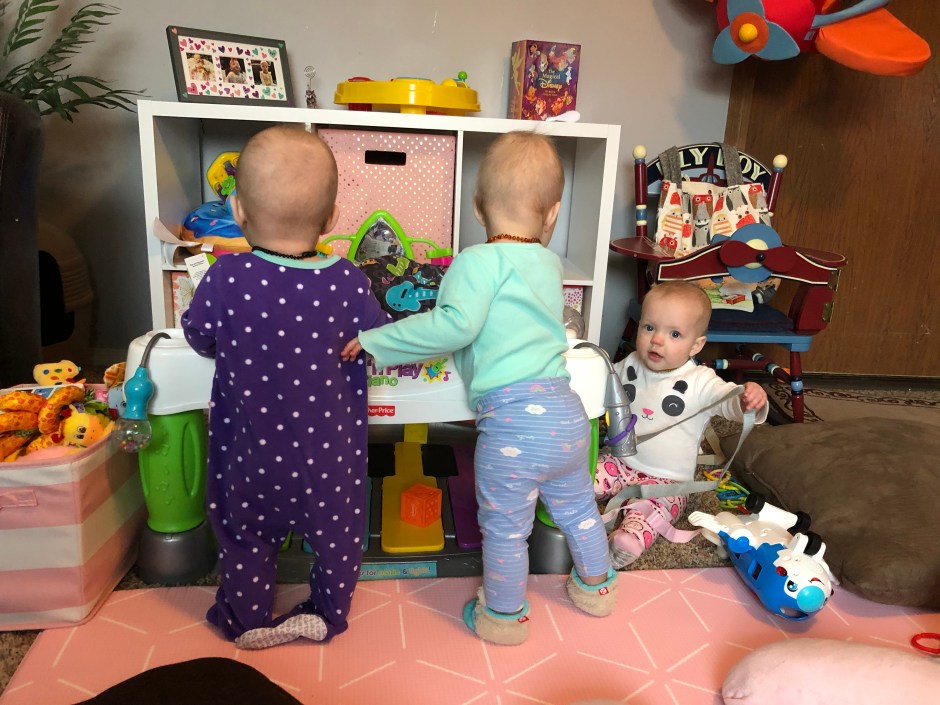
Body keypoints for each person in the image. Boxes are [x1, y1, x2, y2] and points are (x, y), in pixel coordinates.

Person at [341, 131, 617, 646]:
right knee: (579, 512)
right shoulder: (548, 264)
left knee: (507, 530)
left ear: (476, 206)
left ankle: (504, 618)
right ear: (553, 215)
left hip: (513, 428)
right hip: (566, 416)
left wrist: (376, 340)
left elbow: (454, 327)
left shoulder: (474, 261)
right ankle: (597, 588)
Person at [181, 125, 390, 649]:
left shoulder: (226, 277)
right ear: (332, 218)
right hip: (329, 461)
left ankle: (246, 618)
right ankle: (326, 613)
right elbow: (379, 338)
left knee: (245, 535)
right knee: (338, 540)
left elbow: (199, 336)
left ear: (238, 212)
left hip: (251, 455)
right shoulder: (349, 280)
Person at [594, 280, 769, 569]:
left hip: (668, 481)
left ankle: (628, 540)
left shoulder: (700, 381)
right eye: (649, 327)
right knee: (582, 475)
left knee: (651, 513)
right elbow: (603, 382)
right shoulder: (631, 363)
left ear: (696, 344)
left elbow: (727, 401)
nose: (657, 340)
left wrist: (748, 400)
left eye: (674, 334)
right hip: (619, 461)